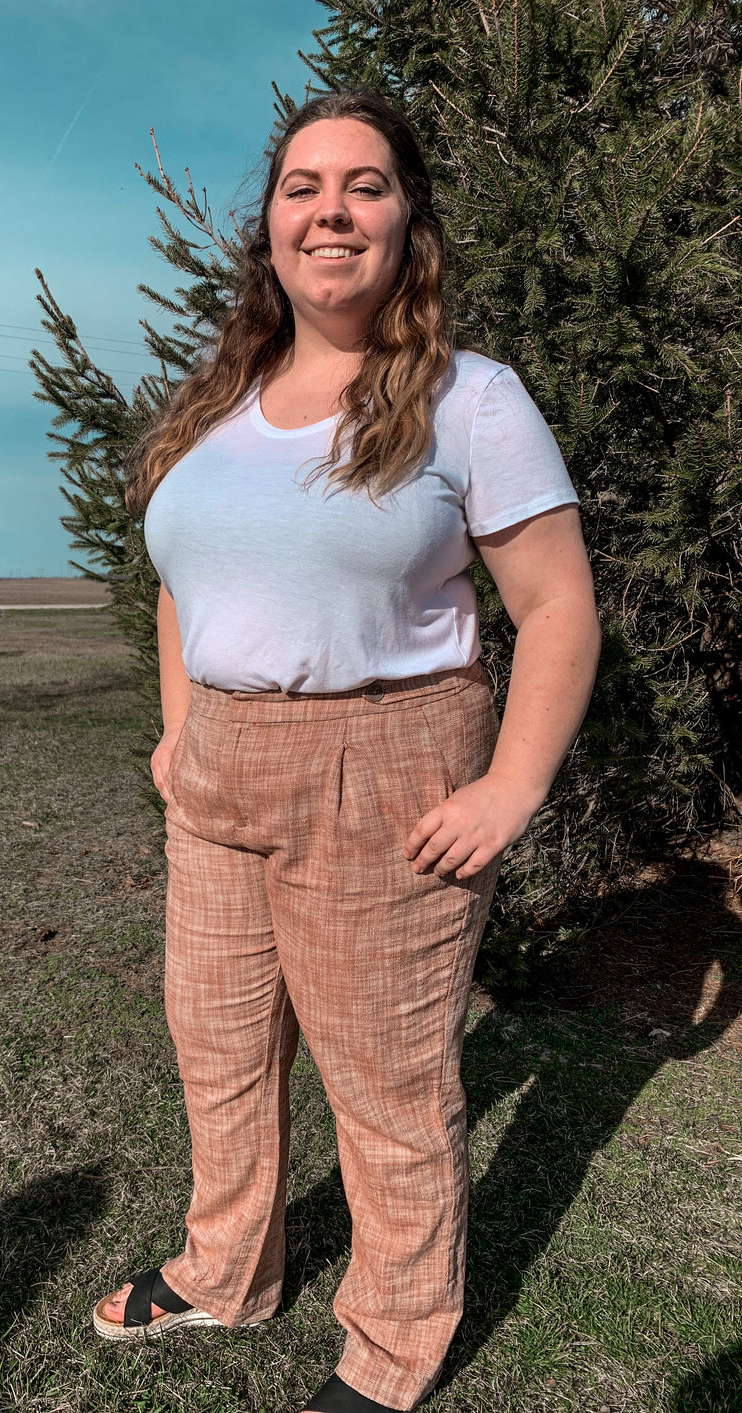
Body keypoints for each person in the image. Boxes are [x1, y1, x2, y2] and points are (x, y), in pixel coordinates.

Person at [91, 89, 602, 1413]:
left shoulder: (467, 398)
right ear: (269, 227)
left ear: (408, 224)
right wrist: (176, 732)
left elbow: (555, 607)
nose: (332, 209)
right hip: (220, 776)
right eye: (305, 185)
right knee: (216, 1043)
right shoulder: (220, 403)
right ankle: (226, 1267)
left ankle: (394, 1339)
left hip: (382, 767)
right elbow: (175, 581)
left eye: (365, 185)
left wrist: (513, 783)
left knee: (386, 1084)